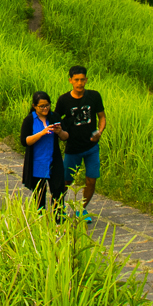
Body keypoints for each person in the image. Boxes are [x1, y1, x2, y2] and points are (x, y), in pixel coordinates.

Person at [50, 66, 107, 220]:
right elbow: (56, 120)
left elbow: (102, 117)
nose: (80, 83)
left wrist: (100, 132)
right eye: (76, 80)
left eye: (82, 79)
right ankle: (58, 208)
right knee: (66, 181)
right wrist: (59, 133)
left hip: (91, 147)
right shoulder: (64, 100)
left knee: (91, 180)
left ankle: (81, 210)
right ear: (70, 80)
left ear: (86, 80)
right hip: (73, 148)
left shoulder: (94, 96)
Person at [19, 90, 69, 213]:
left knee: (58, 192)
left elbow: (65, 137)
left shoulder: (54, 117)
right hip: (37, 162)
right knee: (39, 194)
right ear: (34, 106)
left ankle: (58, 219)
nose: (45, 108)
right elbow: (25, 141)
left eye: (47, 105)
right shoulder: (29, 120)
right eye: (41, 106)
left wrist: (60, 132)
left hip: (53, 160)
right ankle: (40, 219)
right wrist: (42, 133)